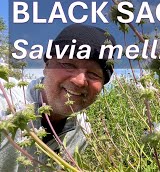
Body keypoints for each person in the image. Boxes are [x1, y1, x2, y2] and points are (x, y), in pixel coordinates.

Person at [0, 23, 116, 171]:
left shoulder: (82, 131)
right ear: (47, 66)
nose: (80, 81)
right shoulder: (5, 103)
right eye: (68, 64)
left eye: (93, 74)